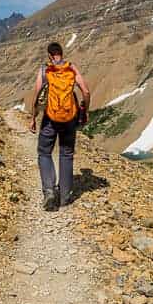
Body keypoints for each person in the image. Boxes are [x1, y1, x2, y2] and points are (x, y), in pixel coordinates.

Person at [29, 41, 91, 211]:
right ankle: (65, 196)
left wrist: (33, 117)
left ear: (49, 55)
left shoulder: (44, 70)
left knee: (44, 152)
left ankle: (49, 192)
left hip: (50, 118)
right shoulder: (72, 68)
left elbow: (36, 95)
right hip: (70, 118)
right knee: (66, 153)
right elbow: (85, 91)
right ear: (61, 53)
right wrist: (84, 110)